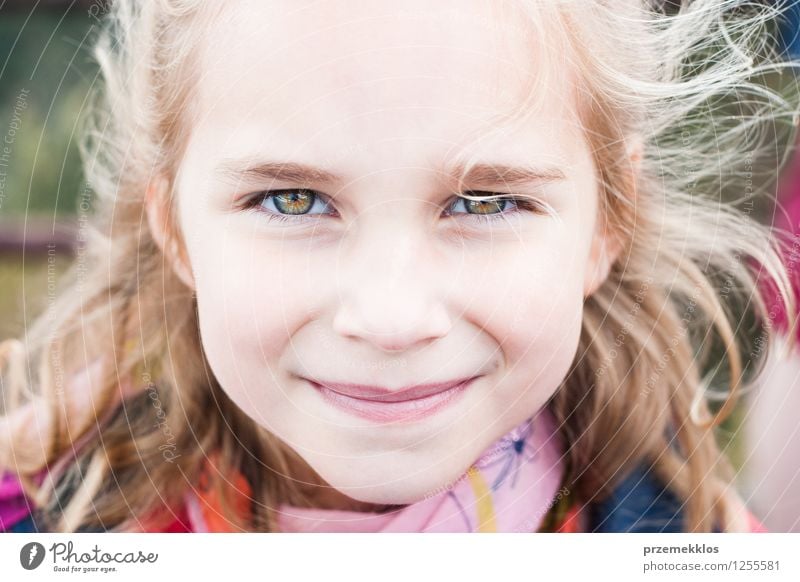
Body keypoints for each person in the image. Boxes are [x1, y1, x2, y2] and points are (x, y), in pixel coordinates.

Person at [1, 0, 797, 533]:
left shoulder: (691, 537)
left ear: (606, 222)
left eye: (484, 204)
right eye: (293, 200)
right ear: (173, 225)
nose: (390, 319)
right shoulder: (70, 520)